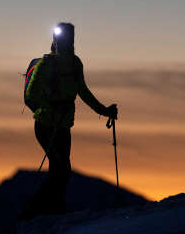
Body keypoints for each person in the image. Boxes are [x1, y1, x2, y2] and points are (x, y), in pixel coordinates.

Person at [20, 22, 118, 219]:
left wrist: (104, 110)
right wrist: (50, 108)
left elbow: (83, 91)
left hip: (62, 126)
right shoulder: (47, 64)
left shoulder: (74, 64)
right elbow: (32, 94)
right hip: (46, 126)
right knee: (61, 168)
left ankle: (48, 210)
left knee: (62, 169)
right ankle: (39, 210)